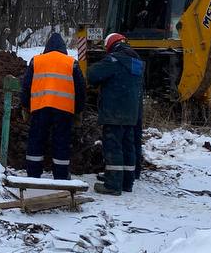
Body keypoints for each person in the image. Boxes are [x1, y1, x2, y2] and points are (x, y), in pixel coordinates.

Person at [20, 31, 88, 180]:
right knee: (61, 142)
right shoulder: (71, 63)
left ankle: (33, 174)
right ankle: (61, 176)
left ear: (47, 48)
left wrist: (25, 106)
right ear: (63, 48)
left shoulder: (36, 61)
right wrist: (78, 110)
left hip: (39, 108)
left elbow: (26, 86)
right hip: (64, 110)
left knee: (36, 141)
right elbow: (81, 89)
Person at [87, 32, 145, 195]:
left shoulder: (113, 59)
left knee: (113, 146)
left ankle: (112, 184)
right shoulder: (137, 62)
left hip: (114, 112)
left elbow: (92, 75)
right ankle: (127, 182)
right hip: (132, 113)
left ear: (111, 46)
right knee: (128, 146)